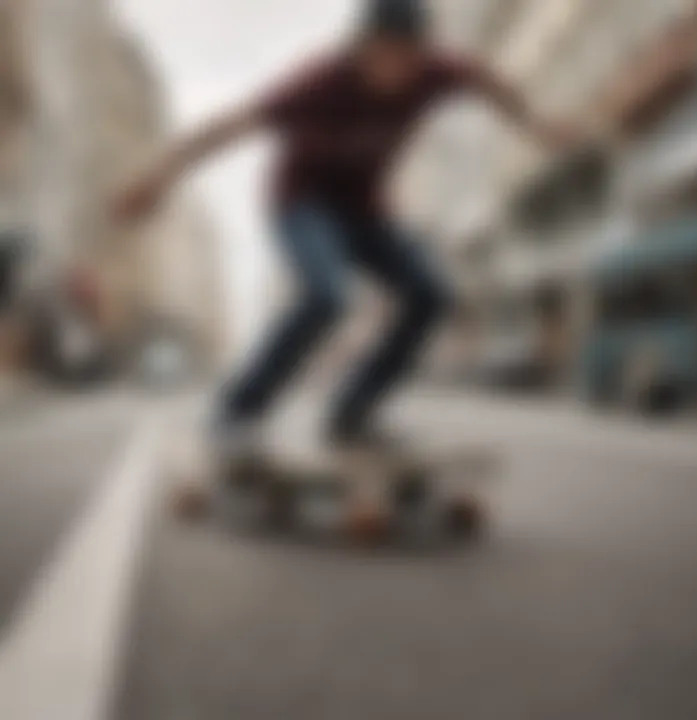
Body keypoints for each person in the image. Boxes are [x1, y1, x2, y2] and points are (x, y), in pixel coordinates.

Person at [113, 0, 578, 457]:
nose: (392, 72)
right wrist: (158, 176)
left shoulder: (438, 71)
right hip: (301, 204)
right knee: (326, 296)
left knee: (431, 294)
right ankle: (237, 414)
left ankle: (352, 413)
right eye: (380, 57)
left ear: (421, 54)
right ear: (359, 49)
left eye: (405, 60)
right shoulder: (318, 82)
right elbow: (228, 126)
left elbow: (486, 79)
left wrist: (535, 124)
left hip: (367, 210)